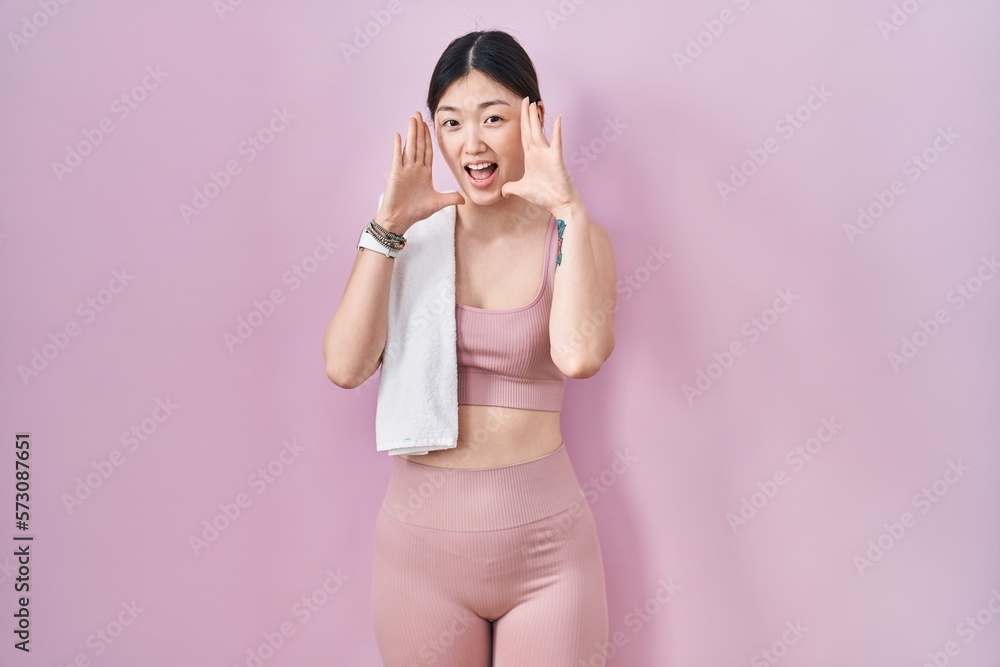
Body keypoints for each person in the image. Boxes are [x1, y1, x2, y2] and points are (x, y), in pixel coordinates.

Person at [323, 29, 617, 666]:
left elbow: (580, 355)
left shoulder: (574, 236)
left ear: (532, 119)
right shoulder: (408, 240)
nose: (472, 143)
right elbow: (344, 367)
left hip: (547, 558)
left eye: (493, 118)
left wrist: (568, 207)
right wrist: (388, 227)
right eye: (451, 122)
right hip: (419, 559)